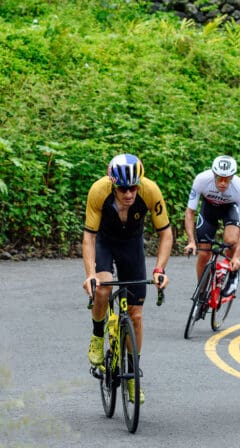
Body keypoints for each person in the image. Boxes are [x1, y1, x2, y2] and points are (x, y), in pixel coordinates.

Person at [82, 153, 173, 403]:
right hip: (105, 243)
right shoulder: (99, 191)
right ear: (113, 185)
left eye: (133, 187)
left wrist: (159, 269)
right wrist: (90, 274)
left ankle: (132, 376)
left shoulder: (150, 191)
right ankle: (98, 336)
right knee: (102, 288)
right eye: (123, 189)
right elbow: (89, 237)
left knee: (136, 314)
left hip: (132, 245)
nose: (129, 194)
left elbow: (166, 234)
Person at [184, 155, 240, 297]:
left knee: (231, 241)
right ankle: (201, 290)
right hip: (209, 209)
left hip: (229, 209)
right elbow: (190, 212)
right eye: (219, 178)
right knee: (204, 253)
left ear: (233, 177)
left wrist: (237, 256)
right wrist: (191, 241)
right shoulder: (201, 180)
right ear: (214, 174)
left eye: (227, 179)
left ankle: (232, 273)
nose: (223, 183)